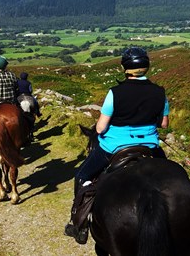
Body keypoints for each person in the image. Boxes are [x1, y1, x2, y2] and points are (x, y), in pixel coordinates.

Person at [64, 47, 170, 244]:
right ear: (146, 67)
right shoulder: (159, 92)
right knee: (171, 176)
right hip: (150, 146)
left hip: (114, 147)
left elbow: (100, 128)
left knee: (82, 175)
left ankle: (79, 224)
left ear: (125, 68)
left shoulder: (115, 93)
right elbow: (163, 124)